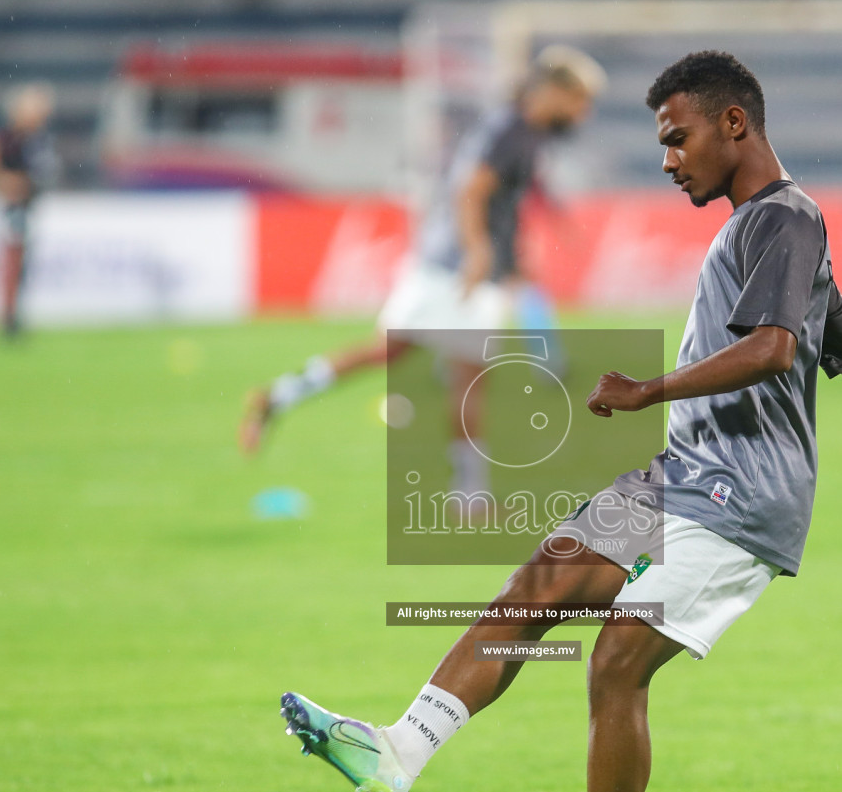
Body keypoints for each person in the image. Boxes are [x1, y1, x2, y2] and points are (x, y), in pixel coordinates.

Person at [278, 51, 842, 792]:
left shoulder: (787, 221)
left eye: (677, 137)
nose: (668, 159)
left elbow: (778, 349)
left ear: (733, 124)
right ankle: (399, 749)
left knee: (616, 660)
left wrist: (650, 390)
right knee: (539, 583)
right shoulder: (766, 232)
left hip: (740, 500)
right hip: (682, 478)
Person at [239, 46, 605, 499]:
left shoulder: (517, 130)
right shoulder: (511, 131)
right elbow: (469, 190)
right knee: (468, 373)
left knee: (391, 353)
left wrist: (512, 251)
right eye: (579, 100)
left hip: (448, 263)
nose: (582, 112)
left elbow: (504, 195)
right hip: (460, 270)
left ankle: (282, 395)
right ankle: (469, 489)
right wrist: (478, 252)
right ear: (554, 92)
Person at [0, 83, 59, 339]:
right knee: (13, 259)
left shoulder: (37, 138)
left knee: (20, 261)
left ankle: (11, 313)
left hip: (28, 206)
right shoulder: (8, 137)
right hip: (14, 207)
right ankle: (7, 316)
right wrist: (0, 183)